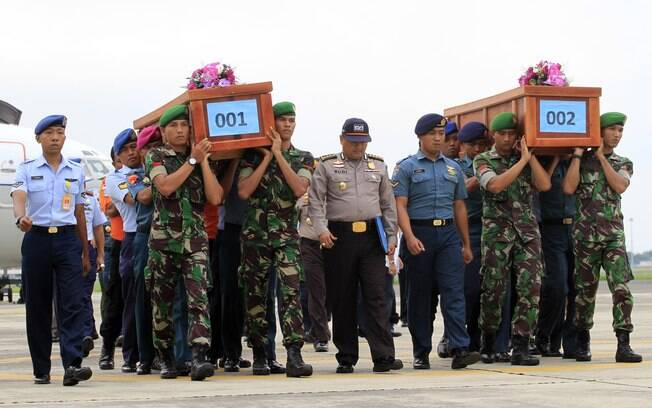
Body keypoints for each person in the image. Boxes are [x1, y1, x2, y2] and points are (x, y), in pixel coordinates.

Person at [309, 117, 402, 374]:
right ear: (342, 140)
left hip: (372, 237)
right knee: (343, 298)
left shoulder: (378, 166)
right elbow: (316, 202)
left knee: (377, 295)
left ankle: (383, 356)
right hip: (339, 237)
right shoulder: (327, 166)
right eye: (353, 142)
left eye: (362, 143)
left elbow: (387, 205)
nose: (358, 147)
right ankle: (346, 356)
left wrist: (392, 237)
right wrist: (321, 230)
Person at [393, 113, 480, 370]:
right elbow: (400, 205)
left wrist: (465, 244)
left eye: (441, 134)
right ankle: (421, 352)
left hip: (448, 236)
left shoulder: (452, 168)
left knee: (454, 293)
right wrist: (408, 237)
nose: (438, 138)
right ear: (420, 136)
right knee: (421, 297)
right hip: (419, 233)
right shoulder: (406, 167)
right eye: (433, 134)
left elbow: (459, 207)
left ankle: (459, 348)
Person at [11, 114, 92, 386]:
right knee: (38, 305)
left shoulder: (76, 171)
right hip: (37, 239)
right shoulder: (26, 168)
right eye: (49, 133)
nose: (55, 137)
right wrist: (21, 218)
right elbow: (19, 195)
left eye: (59, 132)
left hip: (68, 239)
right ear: (39, 139)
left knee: (71, 303)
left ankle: (72, 366)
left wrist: (84, 249)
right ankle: (41, 369)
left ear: (64, 137)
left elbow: (80, 210)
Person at [145, 104, 222, 380]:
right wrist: (191, 161)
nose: (179, 130)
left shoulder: (204, 159)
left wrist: (202, 161)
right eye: (173, 127)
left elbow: (215, 198)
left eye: (184, 126)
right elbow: (165, 187)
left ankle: (199, 356)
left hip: (196, 241)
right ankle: (165, 358)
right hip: (164, 242)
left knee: (198, 298)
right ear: (164, 133)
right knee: (162, 303)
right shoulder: (155, 156)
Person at [237, 101, 313, 377]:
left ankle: (294, 354)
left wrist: (280, 156)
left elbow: (300, 189)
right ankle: (259, 354)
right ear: (272, 124)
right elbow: (244, 191)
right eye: (282, 120)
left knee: (291, 294)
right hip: (255, 237)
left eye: (291, 120)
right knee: (256, 296)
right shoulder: (251, 157)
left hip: (286, 237)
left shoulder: (303, 157)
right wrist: (268, 156)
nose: (288, 125)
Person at [561, 112, 642, 363]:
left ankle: (623, 343)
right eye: (613, 130)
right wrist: (578, 155)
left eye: (620, 130)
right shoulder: (581, 161)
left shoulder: (623, 162)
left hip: (613, 236)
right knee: (585, 292)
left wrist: (600, 158)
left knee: (621, 288)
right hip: (585, 237)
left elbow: (620, 185)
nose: (617, 135)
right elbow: (568, 188)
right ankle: (582, 340)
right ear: (600, 131)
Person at [473, 112, 551, 366]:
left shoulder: (525, 158)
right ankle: (489, 340)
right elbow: (495, 185)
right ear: (493, 136)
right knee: (494, 289)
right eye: (502, 134)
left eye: (512, 135)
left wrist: (530, 158)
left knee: (531, 288)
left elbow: (544, 184)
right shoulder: (483, 159)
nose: (507, 139)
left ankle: (520, 345)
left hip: (527, 233)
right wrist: (522, 163)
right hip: (498, 235)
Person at [106, 128, 143, 372]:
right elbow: (135, 198)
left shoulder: (147, 170)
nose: (131, 153)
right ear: (118, 156)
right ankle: (130, 355)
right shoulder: (117, 177)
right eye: (125, 150)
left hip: (153, 237)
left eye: (134, 147)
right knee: (132, 300)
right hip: (131, 239)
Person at [535, 154, 577, 358]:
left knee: (577, 289)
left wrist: (576, 155)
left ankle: (567, 343)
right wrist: (554, 157)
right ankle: (543, 335)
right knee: (557, 286)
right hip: (551, 229)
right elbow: (540, 184)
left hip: (577, 229)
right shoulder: (542, 161)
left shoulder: (580, 162)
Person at [130, 125, 162, 374]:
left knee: (169, 298)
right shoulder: (135, 175)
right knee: (143, 296)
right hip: (144, 237)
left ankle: (168, 353)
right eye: (149, 147)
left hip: (170, 237)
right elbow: (143, 197)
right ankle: (145, 356)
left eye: (158, 146)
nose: (154, 151)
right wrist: (166, 178)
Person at [455, 122, 490, 352]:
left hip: (494, 230)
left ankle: (480, 339)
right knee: (469, 290)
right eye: (472, 145)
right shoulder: (456, 167)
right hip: (470, 231)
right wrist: (481, 175)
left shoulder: (494, 162)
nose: (477, 149)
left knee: (491, 290)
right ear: (462, 145)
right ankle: (458, 337)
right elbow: (459, 191)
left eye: (482, 144)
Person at [297, 185, 331, 353]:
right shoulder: (304, 198)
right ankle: (321, 335)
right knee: (316, 291)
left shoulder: (336, 193)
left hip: (333, 244)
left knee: (331, 291)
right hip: (310, 245)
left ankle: (318, 328)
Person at [80, 182, 107, 357]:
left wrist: (100, 255)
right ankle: (83, 332)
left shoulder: (91, 200)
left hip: (88, 249)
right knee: (70, 295)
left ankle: (85, 333)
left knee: (85, 293)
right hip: (68, 248)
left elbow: (98, 227)